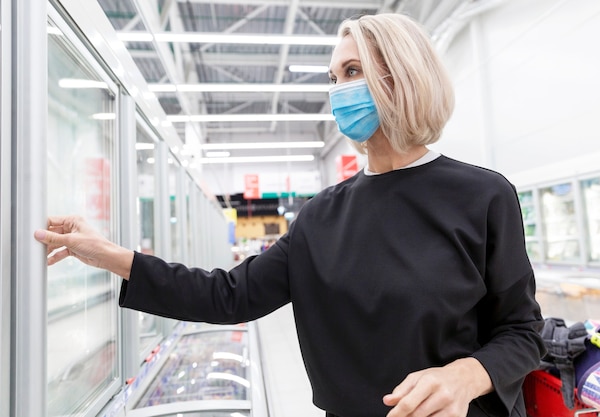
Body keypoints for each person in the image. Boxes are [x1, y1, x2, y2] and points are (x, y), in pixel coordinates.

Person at [34, 13, 546, 417]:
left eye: (352, 72)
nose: (337, 90)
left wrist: (466, 375)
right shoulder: (321, 217)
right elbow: (227, 296)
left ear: (403, 76)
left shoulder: (481, 196)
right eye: (332, 77)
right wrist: (108, 254)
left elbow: (523, 331)